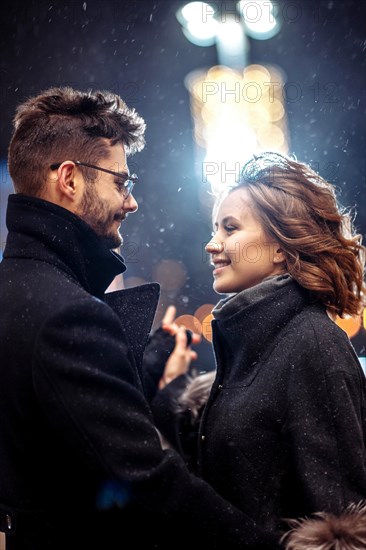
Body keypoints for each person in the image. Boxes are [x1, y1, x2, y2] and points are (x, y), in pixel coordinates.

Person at [0, 87, 278, 550]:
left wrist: (143, 370)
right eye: (122, 183)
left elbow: (55, 420)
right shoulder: (68, 316)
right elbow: (147, 483)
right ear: (69, 179)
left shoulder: (17, 289)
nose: (131, 203)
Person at [147, 152, 366, 548]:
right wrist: (174, 387)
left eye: (230, 229)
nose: (212, 244)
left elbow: (342, 524)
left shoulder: (313, 345)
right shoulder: (253, 343)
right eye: (215, 228)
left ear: (282, 247)